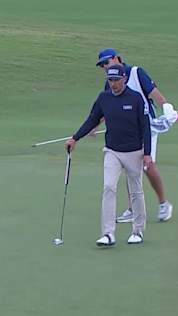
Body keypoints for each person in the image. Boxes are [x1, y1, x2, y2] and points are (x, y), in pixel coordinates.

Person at [65, 63, 152, 247]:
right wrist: (75, 138)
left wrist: (147, 154)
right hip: (112, 151)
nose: (113, 84)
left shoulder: (135, 98)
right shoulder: (104, 98)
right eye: (110, 80)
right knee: (108, 187)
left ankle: (137, 231)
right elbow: (92, 119)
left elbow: (146, 127)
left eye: (116, 80)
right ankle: (108, 234)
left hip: (134, 152)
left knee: (136, 191)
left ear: (124, 79)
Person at [94, 48, 175, 223]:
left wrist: (168, 111)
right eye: (102, 65)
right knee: (129, 166)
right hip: (128, 130)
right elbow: (107, 107)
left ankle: (164, 203)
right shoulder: (110, 82)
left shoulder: (137, 73)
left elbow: (156, 95)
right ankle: (132, 209)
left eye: (107, 62)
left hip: (148, 127)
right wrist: (94, 126)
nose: (105, 67)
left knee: (147, 166)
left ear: (117, 58)